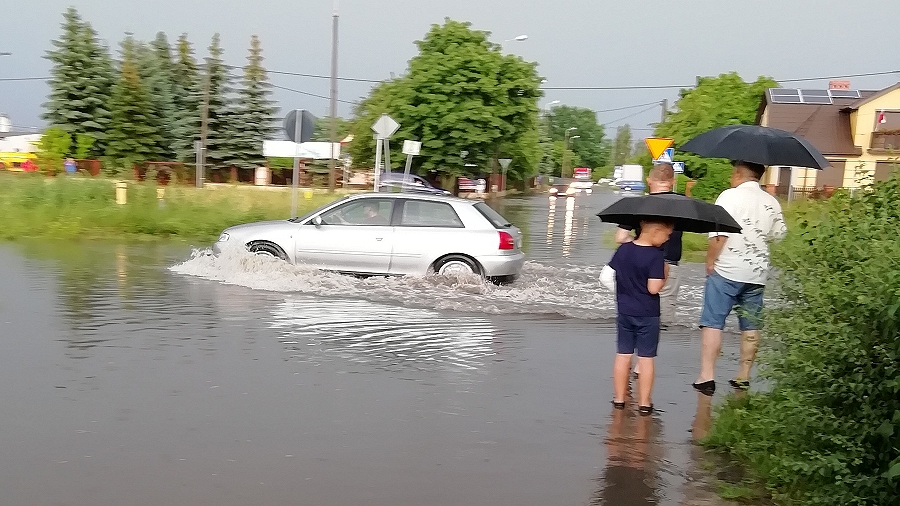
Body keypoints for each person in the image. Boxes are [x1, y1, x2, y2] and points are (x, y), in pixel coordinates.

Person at [692, 161, 787, 395]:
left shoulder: (729, 196)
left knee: (713, 322)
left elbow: (719, 234)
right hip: (757, 273)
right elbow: (779, 236)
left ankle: (707, 377)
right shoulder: (771, 201)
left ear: (737, 174)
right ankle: (743, 376)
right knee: (751, 324)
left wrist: (710, 261)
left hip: (727, 270)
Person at [605, 218, 674, 415]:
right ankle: (644, 402)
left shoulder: (624, 249)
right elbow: (654, 289)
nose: (667, 239)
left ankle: (619, 399)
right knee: (646, 358)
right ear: (656, 231)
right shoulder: (655, 256)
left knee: (623, 354)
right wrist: (665, 273)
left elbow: (614, 274)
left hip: (625, 310)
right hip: (648, 313)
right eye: (666, 235)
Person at [615, 163, 684, 327]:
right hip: (668, 263)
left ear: (648, 180)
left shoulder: (637, 204)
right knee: (664, 316)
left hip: (638, 262)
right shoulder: (683, 205)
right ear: (673, 182)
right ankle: (652, 346)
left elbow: (620, 237)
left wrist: (639, 241)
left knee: (635, 307)